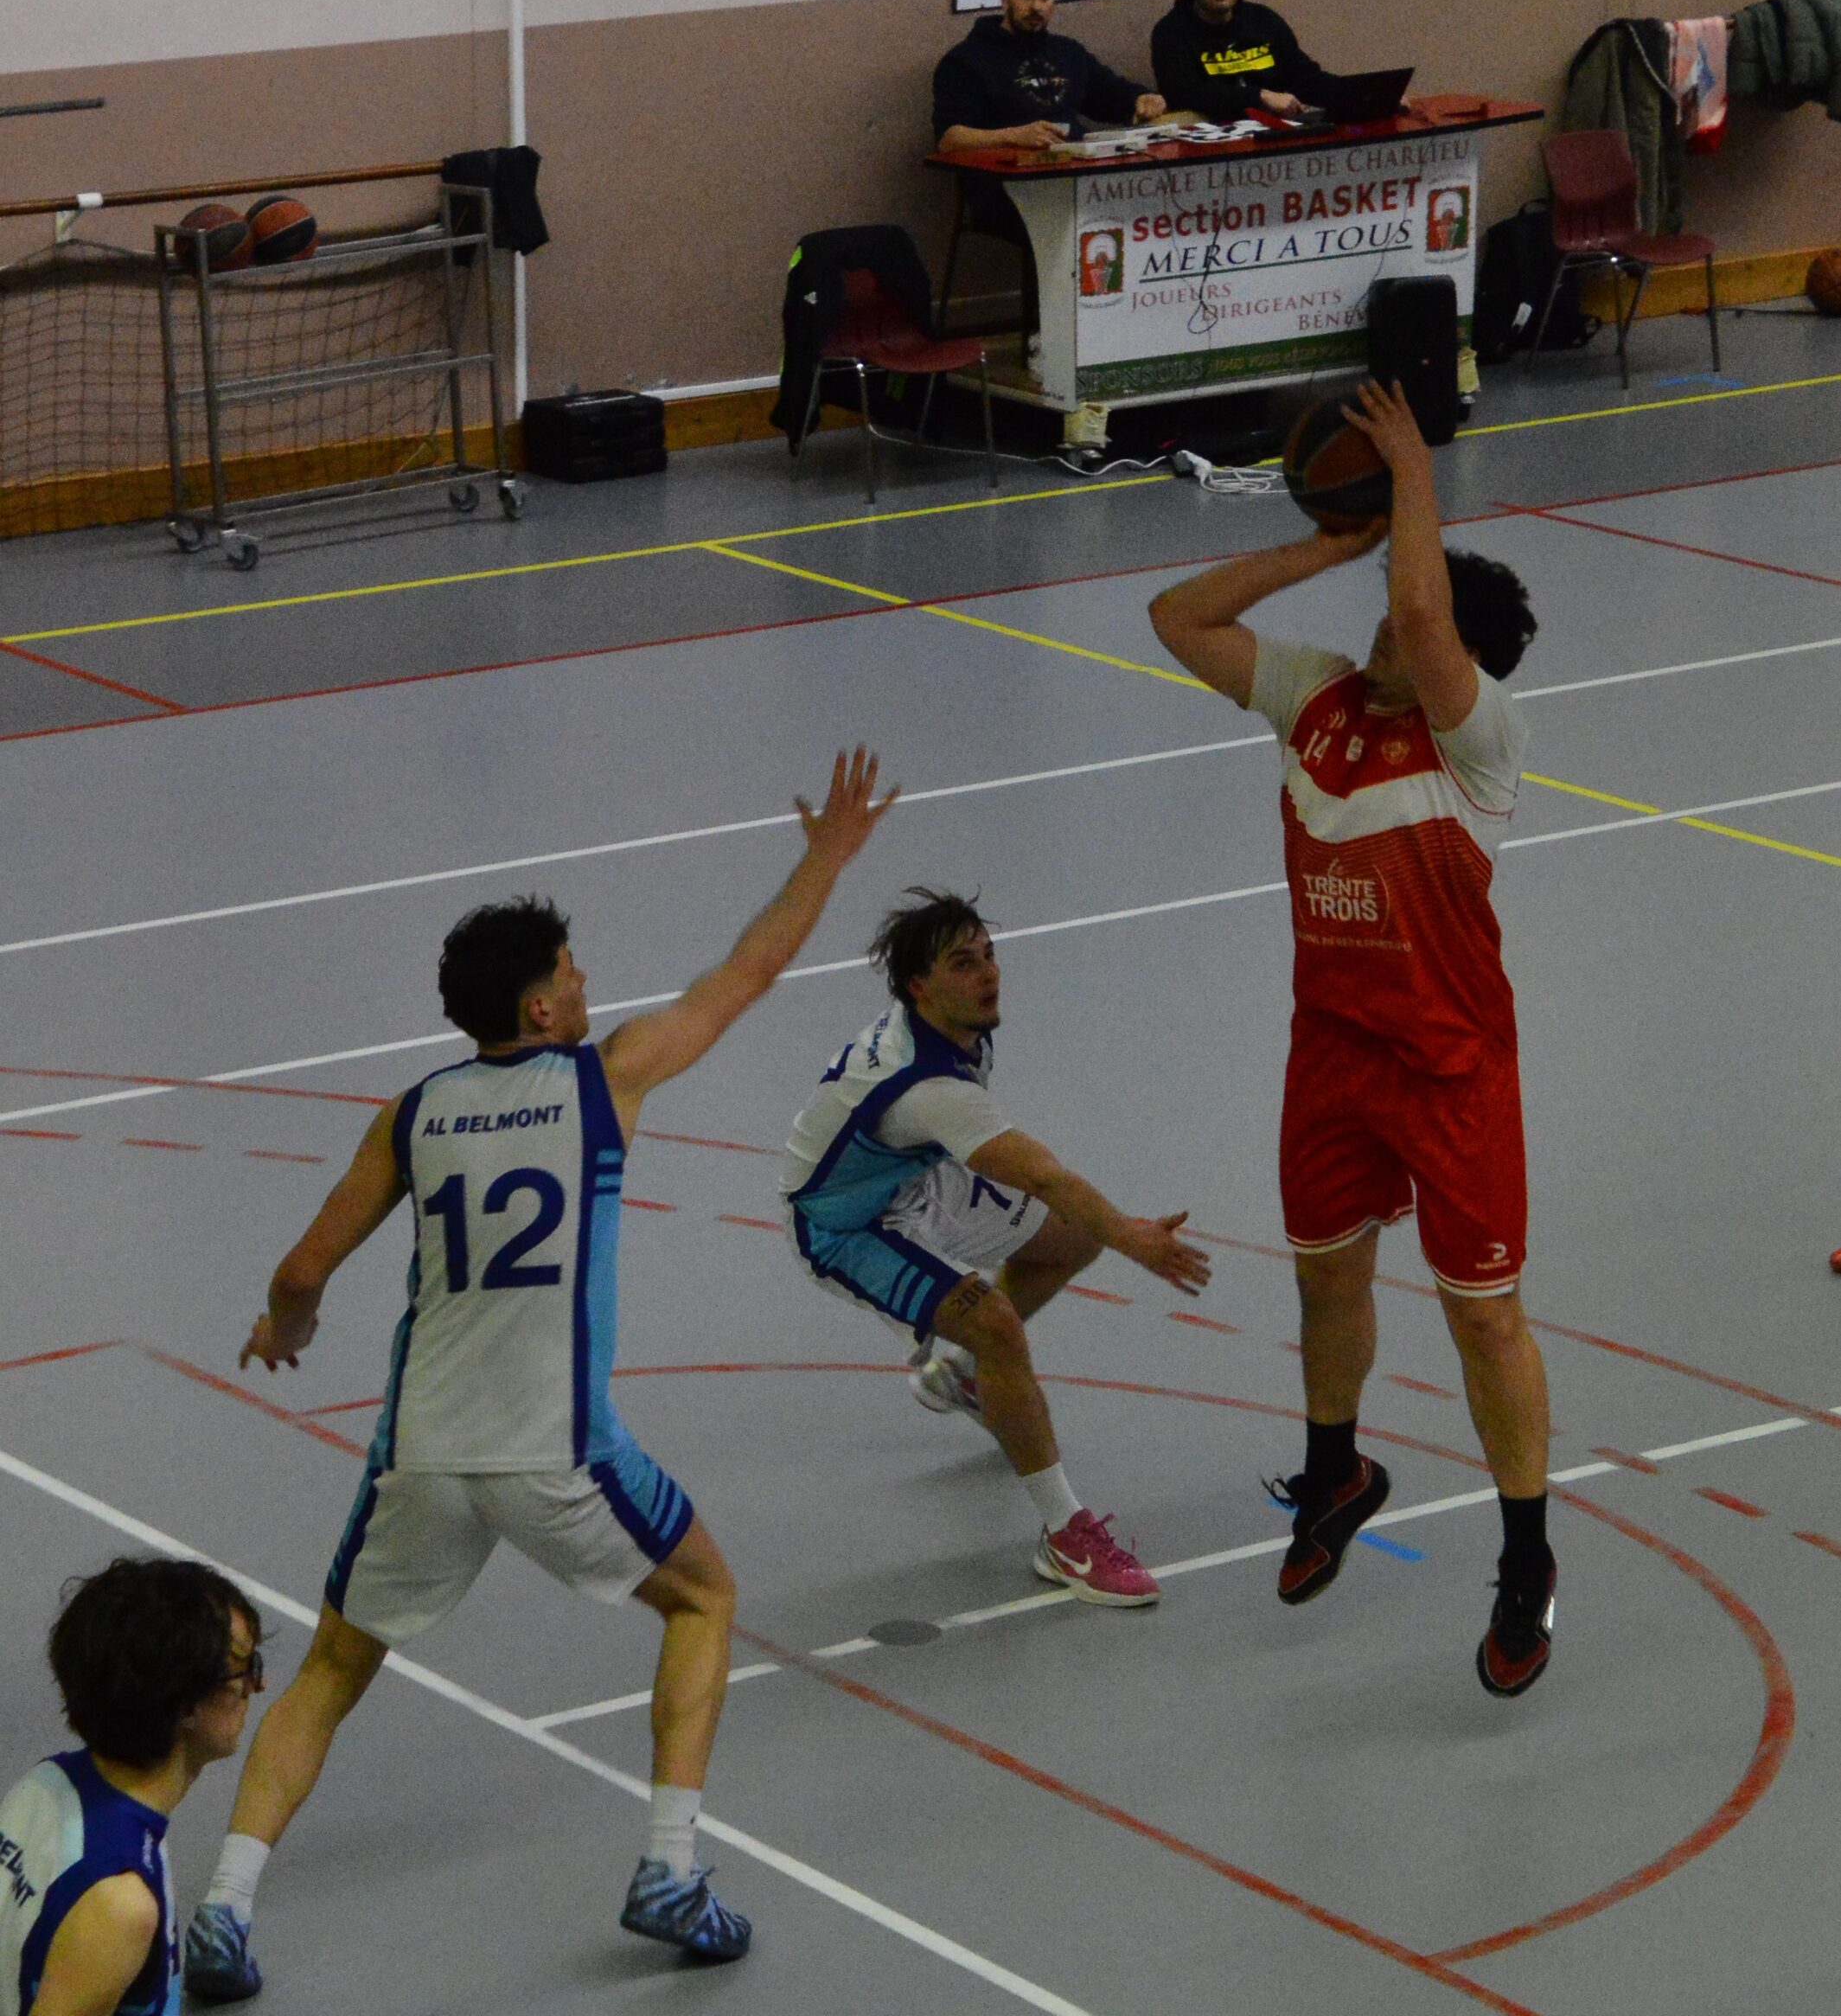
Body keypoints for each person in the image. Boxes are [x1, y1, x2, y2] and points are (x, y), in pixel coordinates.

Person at [182, 751, 898, 2000]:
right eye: (571, 972)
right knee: (705, 1597)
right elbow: (746, 974)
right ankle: (669, 1866)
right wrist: (826, 858)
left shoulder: (413, 1112)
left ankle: (224, 1908)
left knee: (332, 1670)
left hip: (421, 1449)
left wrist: (285, 1327)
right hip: (555, 1445)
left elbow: (300, 1270)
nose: (586, 982)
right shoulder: (603, 1080)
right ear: (542, 1010)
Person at [1147, 381, 1557, 1698]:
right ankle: (1336, 1471)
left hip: (1452, 1070)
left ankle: (1526, 1558)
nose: (1384, 620)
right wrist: (1323, 543)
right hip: (1330, 1053)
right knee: (1326, 1280)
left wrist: (1410, 473)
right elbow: (1177, 617)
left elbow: (1429, 617)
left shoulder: (1478, 739)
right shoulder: (1316, 697)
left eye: (1401, 610)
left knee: (1483, 1321)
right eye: (1376, 605)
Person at [779, 889, 1211, 1605]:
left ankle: (957, 1376)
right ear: (919, 986)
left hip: (911, 1177)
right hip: (844, 1224)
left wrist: (1103, 1229)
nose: (988, 974)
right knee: (995, 1325)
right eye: (963, 963)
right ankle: (1064, 1536)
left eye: (988, 954)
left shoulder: (955, 1027)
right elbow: (1038, 1173)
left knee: (1070, 1239)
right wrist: (1132, 1236)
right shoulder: (925, 1086)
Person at [2, 1558, 262, 2016]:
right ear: (186, 1707)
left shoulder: (45, 1784)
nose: (256, 1687)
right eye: (244, 1670)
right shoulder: (119, 1903)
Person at [933, 0, 1166, 152]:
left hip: (1075, 164)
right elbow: (949, 139)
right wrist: (1013, 136)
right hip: (1008, 172)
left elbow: (1110, 95)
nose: (1036, 6)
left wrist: (1142, 99)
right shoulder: (966, 61)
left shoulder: (1068, 52)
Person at [1150, 0, 1329, 124]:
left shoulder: (1264, 21)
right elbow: (1184, 93)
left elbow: (1304, 78)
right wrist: (1259, 96)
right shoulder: (1171, 32)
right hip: (1212, 133)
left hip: (1275, 130)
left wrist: (1346, 91)